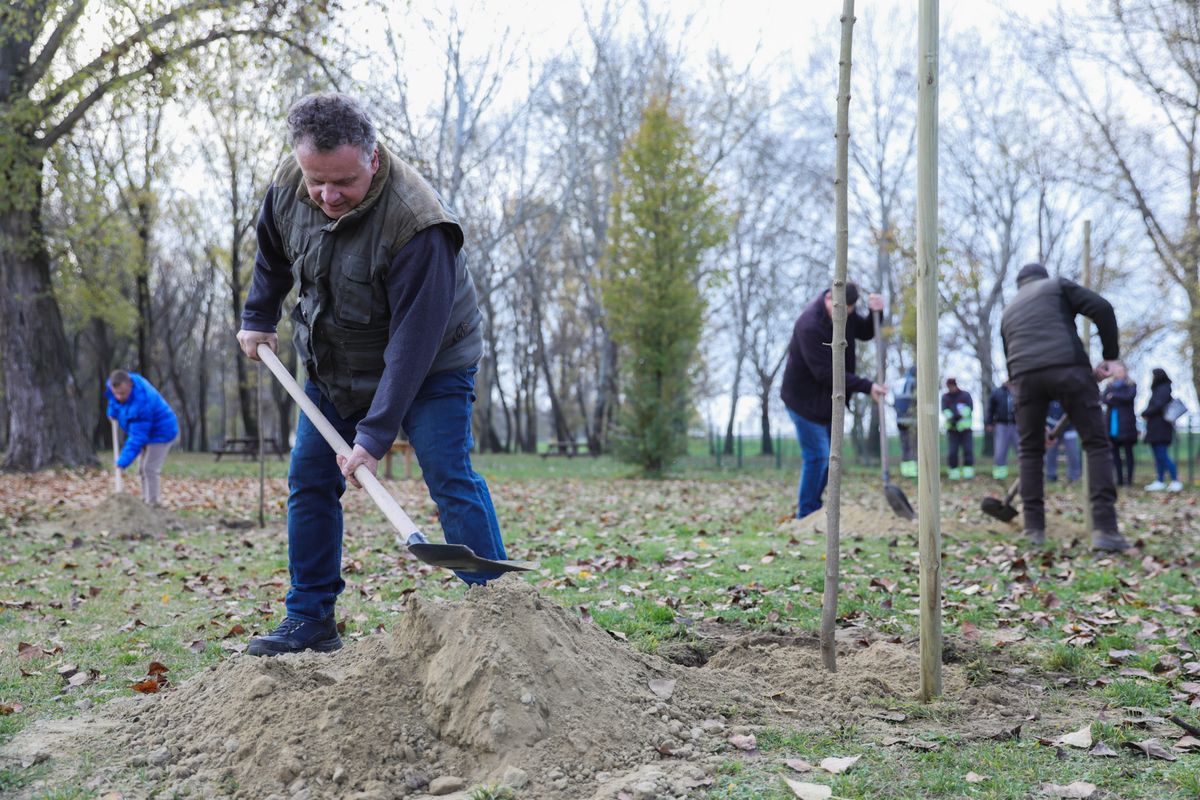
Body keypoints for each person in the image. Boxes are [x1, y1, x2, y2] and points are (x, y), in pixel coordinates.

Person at [236, 92, 507, 656]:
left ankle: (500, 614)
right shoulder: (293, 181)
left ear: (373, 158)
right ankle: (311, 618)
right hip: (335, 360)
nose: (328, 195)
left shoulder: (419, 222)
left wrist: (374, 437)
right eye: (317, 182)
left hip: (430, 363)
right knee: (310, 478)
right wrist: (259, 316)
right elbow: (271, 251)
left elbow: (413, 343)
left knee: (447, 474)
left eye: (343, 183)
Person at [1000, 262, 1128, 551]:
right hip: (1068, 368)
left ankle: (1033, 530)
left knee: (1030, 451)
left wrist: (1036, 425)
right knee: (1095, 444)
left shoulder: (1008, 310)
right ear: (1041, 277)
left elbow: (1010, 359)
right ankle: (1105, 530)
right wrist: (1110, 356)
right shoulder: (1056, 285)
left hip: (1024, 378)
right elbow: (1103, 308)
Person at [780, 282, 886, 518]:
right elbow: (826, 373)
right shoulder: (809, 325)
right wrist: (867, 386)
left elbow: (867, 331)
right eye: (842, 308)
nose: (845, 314)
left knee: (829, 460)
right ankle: (806, 514)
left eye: (849, 309)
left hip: (826, 403)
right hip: (803, 402)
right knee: (817, 457)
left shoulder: (844, 314)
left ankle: (814, 510)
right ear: (829, 297)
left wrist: (876, 312)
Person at [106, 370, 179, 506]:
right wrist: (112, 411)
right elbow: (114, 401)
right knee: (141, 469)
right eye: (116, 393)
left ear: (130, 385)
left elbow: (137, 438)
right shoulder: (116, 389)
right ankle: (146, 501)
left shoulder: (142, 403)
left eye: (122, 393)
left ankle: (153, 503)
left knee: (149, 468)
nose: (119, 397)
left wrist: (122, 462)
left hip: (162, 432)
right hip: (147, 430)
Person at [1141, 368, 1183, 492]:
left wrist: (1146, 412)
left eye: (1153, 375)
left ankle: (1176, 480)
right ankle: (1160, 481)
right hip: (1155, 428)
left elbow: (1158, 405)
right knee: (1158, 456)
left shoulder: (1163, 389)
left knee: (1162, 455)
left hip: (1161, 428)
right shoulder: (1159, 389)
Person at [1102, 362, 1139, 487]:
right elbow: (1104, 399)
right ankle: (1119, 480)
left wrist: (1114, 397)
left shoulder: (1131, 384)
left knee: (1128, 453)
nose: (1119, 373)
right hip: (1112, 426)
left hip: (1127, 426)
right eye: (1117, 371)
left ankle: (1129, 480)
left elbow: (1129, 397)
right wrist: (1115, 398)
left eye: (1121, 371)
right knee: (1115, 454)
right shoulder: (1109, 385)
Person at [941, 377, 975, 479]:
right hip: (952, 430)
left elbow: (969, 409)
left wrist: (958, 417)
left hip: (965, 430)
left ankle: (968, 473)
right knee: (952, 452)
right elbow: (945, 410)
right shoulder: (945, 397)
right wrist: (952, 418)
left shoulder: (965, 395)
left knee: (968, 451)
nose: (951, 388)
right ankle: (953, 473)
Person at [986, 379, 1017, 480]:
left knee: (1022, 449)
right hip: (1001, 425)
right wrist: (989, 422)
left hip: (1017, 425)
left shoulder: (1017, 391)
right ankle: (1000, 476)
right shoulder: (997, 392)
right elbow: (990, 408)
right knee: (1000, 450)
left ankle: (1025, 473)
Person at [1044, 401, 1081, 484]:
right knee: (1050, 453)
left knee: (1073, 453)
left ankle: (1074, 476)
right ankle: (1050, 475)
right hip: (1051, 428)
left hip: (1069, 428)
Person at [894, 365, 917, 478]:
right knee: (913, 445)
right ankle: (912, 471)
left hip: (899, 418)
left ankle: (905, 471)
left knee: (905, 445)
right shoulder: (913, 382)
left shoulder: (899, 382)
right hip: (911, 420)